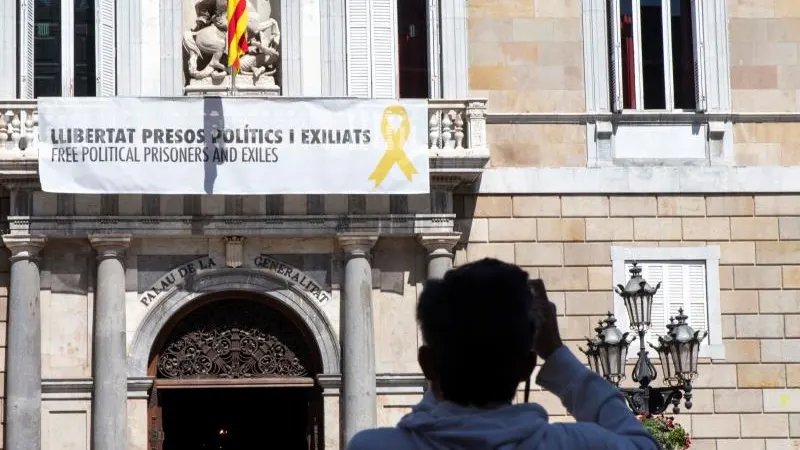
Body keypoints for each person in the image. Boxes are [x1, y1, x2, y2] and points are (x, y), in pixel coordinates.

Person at [347, 258, 659, 450]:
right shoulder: (574, 444)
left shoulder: (373, 446)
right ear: (528, 365)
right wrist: (556, 353)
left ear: (427, 365)